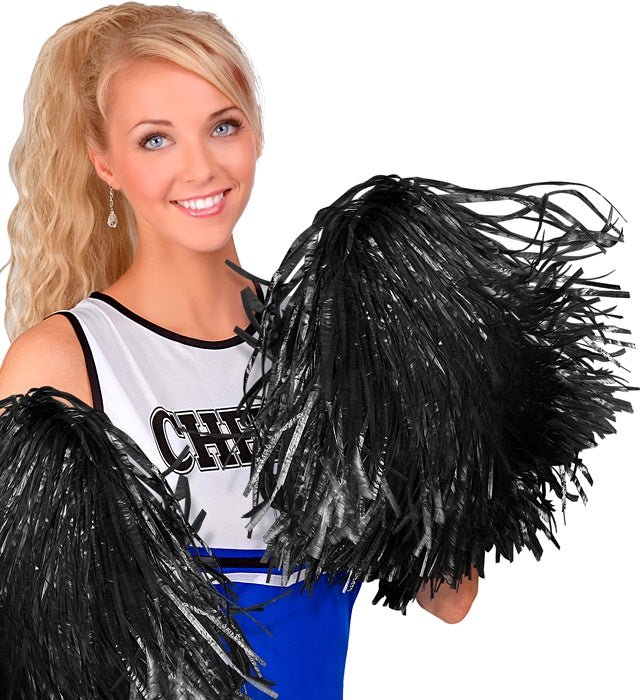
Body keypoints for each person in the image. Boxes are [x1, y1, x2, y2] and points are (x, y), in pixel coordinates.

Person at [0, 2, 478, 698]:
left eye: (222, 126)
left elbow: (450, 593)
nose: (200, 167)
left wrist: (431, 383)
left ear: (254, 132)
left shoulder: (330, 344)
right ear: (104, 162)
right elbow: (37, 659)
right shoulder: (66, 362)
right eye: (155, 140)